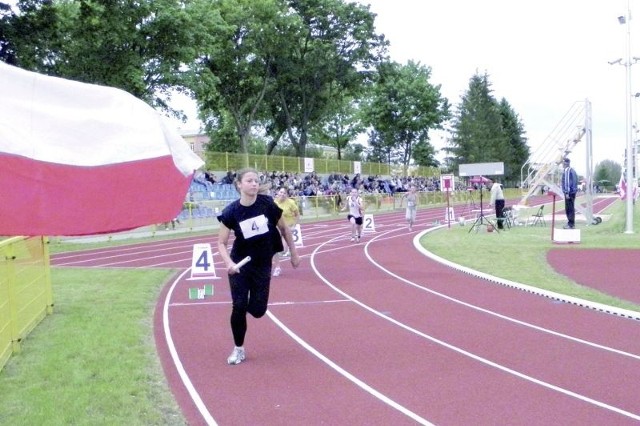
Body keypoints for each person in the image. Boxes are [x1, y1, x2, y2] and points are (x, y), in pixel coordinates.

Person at [217, 168, 300, 365]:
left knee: (258, 310)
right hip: (240, 264)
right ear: (239, 185)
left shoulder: (267, 204)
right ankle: (238, 349)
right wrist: (228, 263)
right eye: (249, 180)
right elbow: (221, 243)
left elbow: (284, 229)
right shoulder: (231, 212)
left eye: (256, 180)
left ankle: (245, 310)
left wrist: (294, 254)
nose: (254, 184)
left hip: (262, 264)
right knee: (238, 306)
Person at [272, 187, 300, 277]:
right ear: (278, 193)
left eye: (284, 193)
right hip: (276, 227)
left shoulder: (291, 203)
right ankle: (277, 267)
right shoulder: (274, 202)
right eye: (281, 192)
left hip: (287, 227)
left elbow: (297, 214)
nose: (282, 194)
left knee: (283, 249)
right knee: (275, 248)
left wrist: (294, 225)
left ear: (287, 194)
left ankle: (290, 253)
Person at [561, 157, 578, 229]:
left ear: (565, 163)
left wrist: (567, 192)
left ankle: (571, 224)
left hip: (569, 192)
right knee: (570, 208)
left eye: (563, 163)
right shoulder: (572, 170)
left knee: (569, 208)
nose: (562, 164)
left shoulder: (567, 171)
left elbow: (567, 182)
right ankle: (571, 223)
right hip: (572, 192)